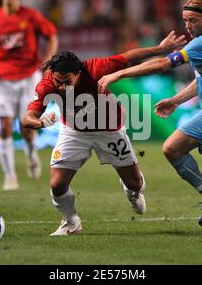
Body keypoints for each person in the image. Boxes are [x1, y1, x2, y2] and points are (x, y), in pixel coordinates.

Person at [98, 0, 202, 231]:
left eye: (193, 20)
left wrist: (120, 74)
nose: (188, 26)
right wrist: (176, 101)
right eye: (185, 20)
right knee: (171, 149)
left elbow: (163, 65)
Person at [22, 32, 186, 236]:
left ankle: (132, 191)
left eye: (67, 81)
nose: (62, 87)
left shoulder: (95, 68)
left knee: (134, 183)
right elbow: (26, 118)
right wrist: (39, 122)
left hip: (109, 130)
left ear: (78, 73)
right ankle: (71, 223)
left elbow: (127, 56)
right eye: (58, 81)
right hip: (74, 132)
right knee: (57, 184)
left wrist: (159, 50)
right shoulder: (46, 85)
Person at [0, 0, 58, 190]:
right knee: (4, 126)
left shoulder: (30, 16)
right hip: (3, 79)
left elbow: (51, 35)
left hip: (28, 77)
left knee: (26, 126)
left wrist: (49, 59)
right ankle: (10, 176)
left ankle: (31, 152)